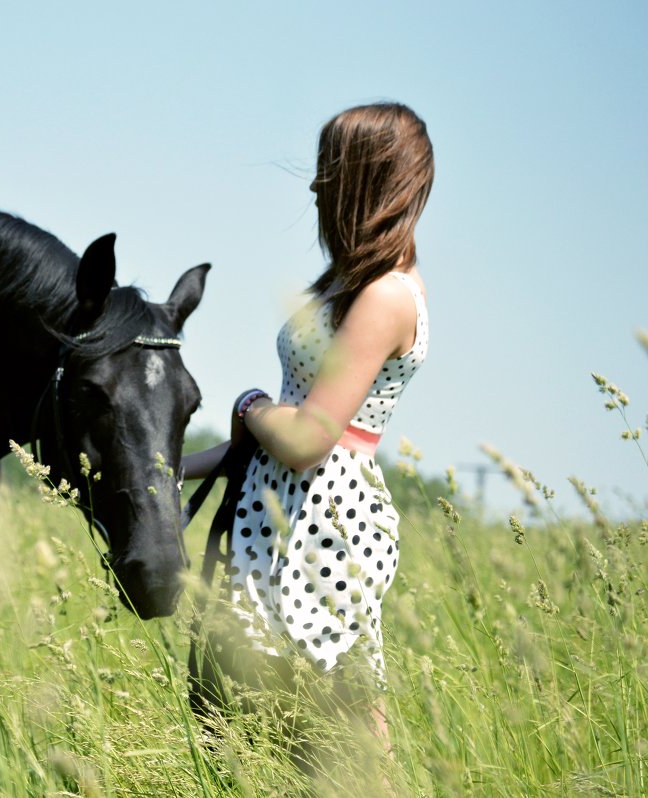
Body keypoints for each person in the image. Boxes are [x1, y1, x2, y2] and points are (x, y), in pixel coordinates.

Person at [181, 102, 434, 762]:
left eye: (332, 170)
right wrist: (174, 466)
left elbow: (305, 437)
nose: (318, 187)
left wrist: (249, 404)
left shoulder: (386, 296)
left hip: (322, 523)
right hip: (278, 512)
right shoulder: (348, 283)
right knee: (243, 730)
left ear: (370, 181)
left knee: (332, 737)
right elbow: (268, 438)